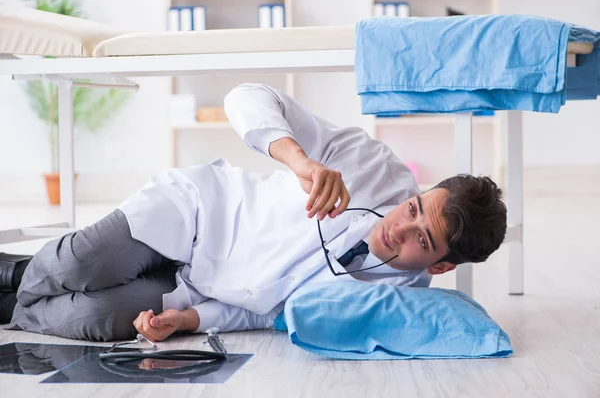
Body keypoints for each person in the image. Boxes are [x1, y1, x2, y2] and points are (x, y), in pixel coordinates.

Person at [0, 83, 507, 342]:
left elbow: (265, 312)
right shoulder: (369, 162)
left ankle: (10, 295)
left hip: (198, 287)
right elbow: (246, 96)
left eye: (423, 240)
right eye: (415, 208)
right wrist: (298, 159)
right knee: (76, 268)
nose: (401, 227)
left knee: (92, 315)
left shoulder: (393, 298)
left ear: (440, 266)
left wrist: (187, 321)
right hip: (196, 215)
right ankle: (15, 272)